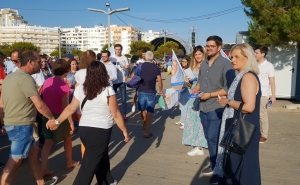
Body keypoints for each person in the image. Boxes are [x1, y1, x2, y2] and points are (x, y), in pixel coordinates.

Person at [46, 61, 130, 185]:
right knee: (89, 166)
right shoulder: (107, 89)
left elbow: (71, 108)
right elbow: (116, 114)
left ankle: (107, 180)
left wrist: (58, 121)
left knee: (101, 155)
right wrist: (124, 131)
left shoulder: (80, 88)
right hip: (100, 130)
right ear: (103, 73)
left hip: (85, 129)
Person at [0, 50, 57, 185]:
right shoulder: (26, 78)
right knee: (15, 160)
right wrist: (51, 118)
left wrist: (2, 123)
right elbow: (39, 104)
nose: (40, 64)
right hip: (21, 125)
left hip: (14, 123)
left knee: (33, 154)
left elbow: (1, 102)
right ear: (30, 62)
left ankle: (41, 182)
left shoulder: (10, 77)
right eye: (38, 61)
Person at [190, 35, 235, 184]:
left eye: (212, 46)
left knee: (214, 138)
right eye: (207, 46)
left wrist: (210, 94)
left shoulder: (226, 64)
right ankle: (215, 165)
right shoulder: (203, 64)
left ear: (219, 47)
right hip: (203, 107)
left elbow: (229, 89)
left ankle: (218, 170)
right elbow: (201, 82)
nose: (209, 48)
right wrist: (196, 88)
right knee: (210, 138)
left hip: (216, 108)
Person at [215, 43, 261, 185]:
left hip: (243, 129)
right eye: (231, 56)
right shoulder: (241, 76)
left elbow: (249, 107)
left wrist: (227, 102)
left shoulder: (247, 77)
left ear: (247, 58)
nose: (232, 59)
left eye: (237, 57)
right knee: (238, 165)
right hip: (241, 127)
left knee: (243, 166)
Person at [40, 59, 79, 177]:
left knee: (47, 142)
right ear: (66, 71)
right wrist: (71, 122)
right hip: (59, 116)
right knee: (67, 139)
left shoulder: (47, 81)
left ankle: (43, 168)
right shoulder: (64, 86)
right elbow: (66, 106)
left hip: (47, 115)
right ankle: (69, 162)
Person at [181, 49, 208, 156]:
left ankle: (200, 146)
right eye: (195, 54)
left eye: (199, 54)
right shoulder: (192, 67)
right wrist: (187, 82)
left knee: (201, 120)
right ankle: (195, 142)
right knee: (192, 119)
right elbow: (189, 85)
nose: (197, 56)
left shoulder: (207, 66)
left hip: (202, 95)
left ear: (203, 54)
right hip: (192, 96)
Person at [138, 51, 163, 138]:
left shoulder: (140, 65)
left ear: (145, 57)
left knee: (142, 109)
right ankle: (147, 131)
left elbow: (134, 76)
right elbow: (159, 80)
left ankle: (144, 123)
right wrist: (161, 90)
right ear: (152, 58)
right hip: (151, 91)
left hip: (141, 90)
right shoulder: (155, 67)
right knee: (149, 111)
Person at [254, 46, 276, 143]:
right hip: (253, 93)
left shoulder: (269, 66)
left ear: (263, 54)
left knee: (262, 115)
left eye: (257, 53)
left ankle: (264, 135)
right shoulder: (253, 65)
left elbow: (272, 81)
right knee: (253, 113)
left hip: (263, 94)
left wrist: (273, 96)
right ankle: (254, 133)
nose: (255, 54)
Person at [113, 44, 129, 122]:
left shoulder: (124, 58)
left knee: (123, 99)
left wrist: (127, 68)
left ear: (121, 50)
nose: (118, 51)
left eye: (119, 49)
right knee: (113, 99)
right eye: (116, 49)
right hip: (113, 81)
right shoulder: (112, 58)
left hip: (122, 80)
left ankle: (124, 115)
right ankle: (113, 114)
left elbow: (128, 68)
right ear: (114, 50)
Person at [175, 56, 191, 127]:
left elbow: (190, 82)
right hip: (181, 90)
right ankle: (182, 120)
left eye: (185, 62)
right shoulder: (182, 70)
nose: (183, 63)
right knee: (181, 106)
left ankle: (184, 122)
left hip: (187, 90)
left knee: (185, 106)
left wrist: (185, 82)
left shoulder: (189, 70)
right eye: (182, 61)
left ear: (188, 62)